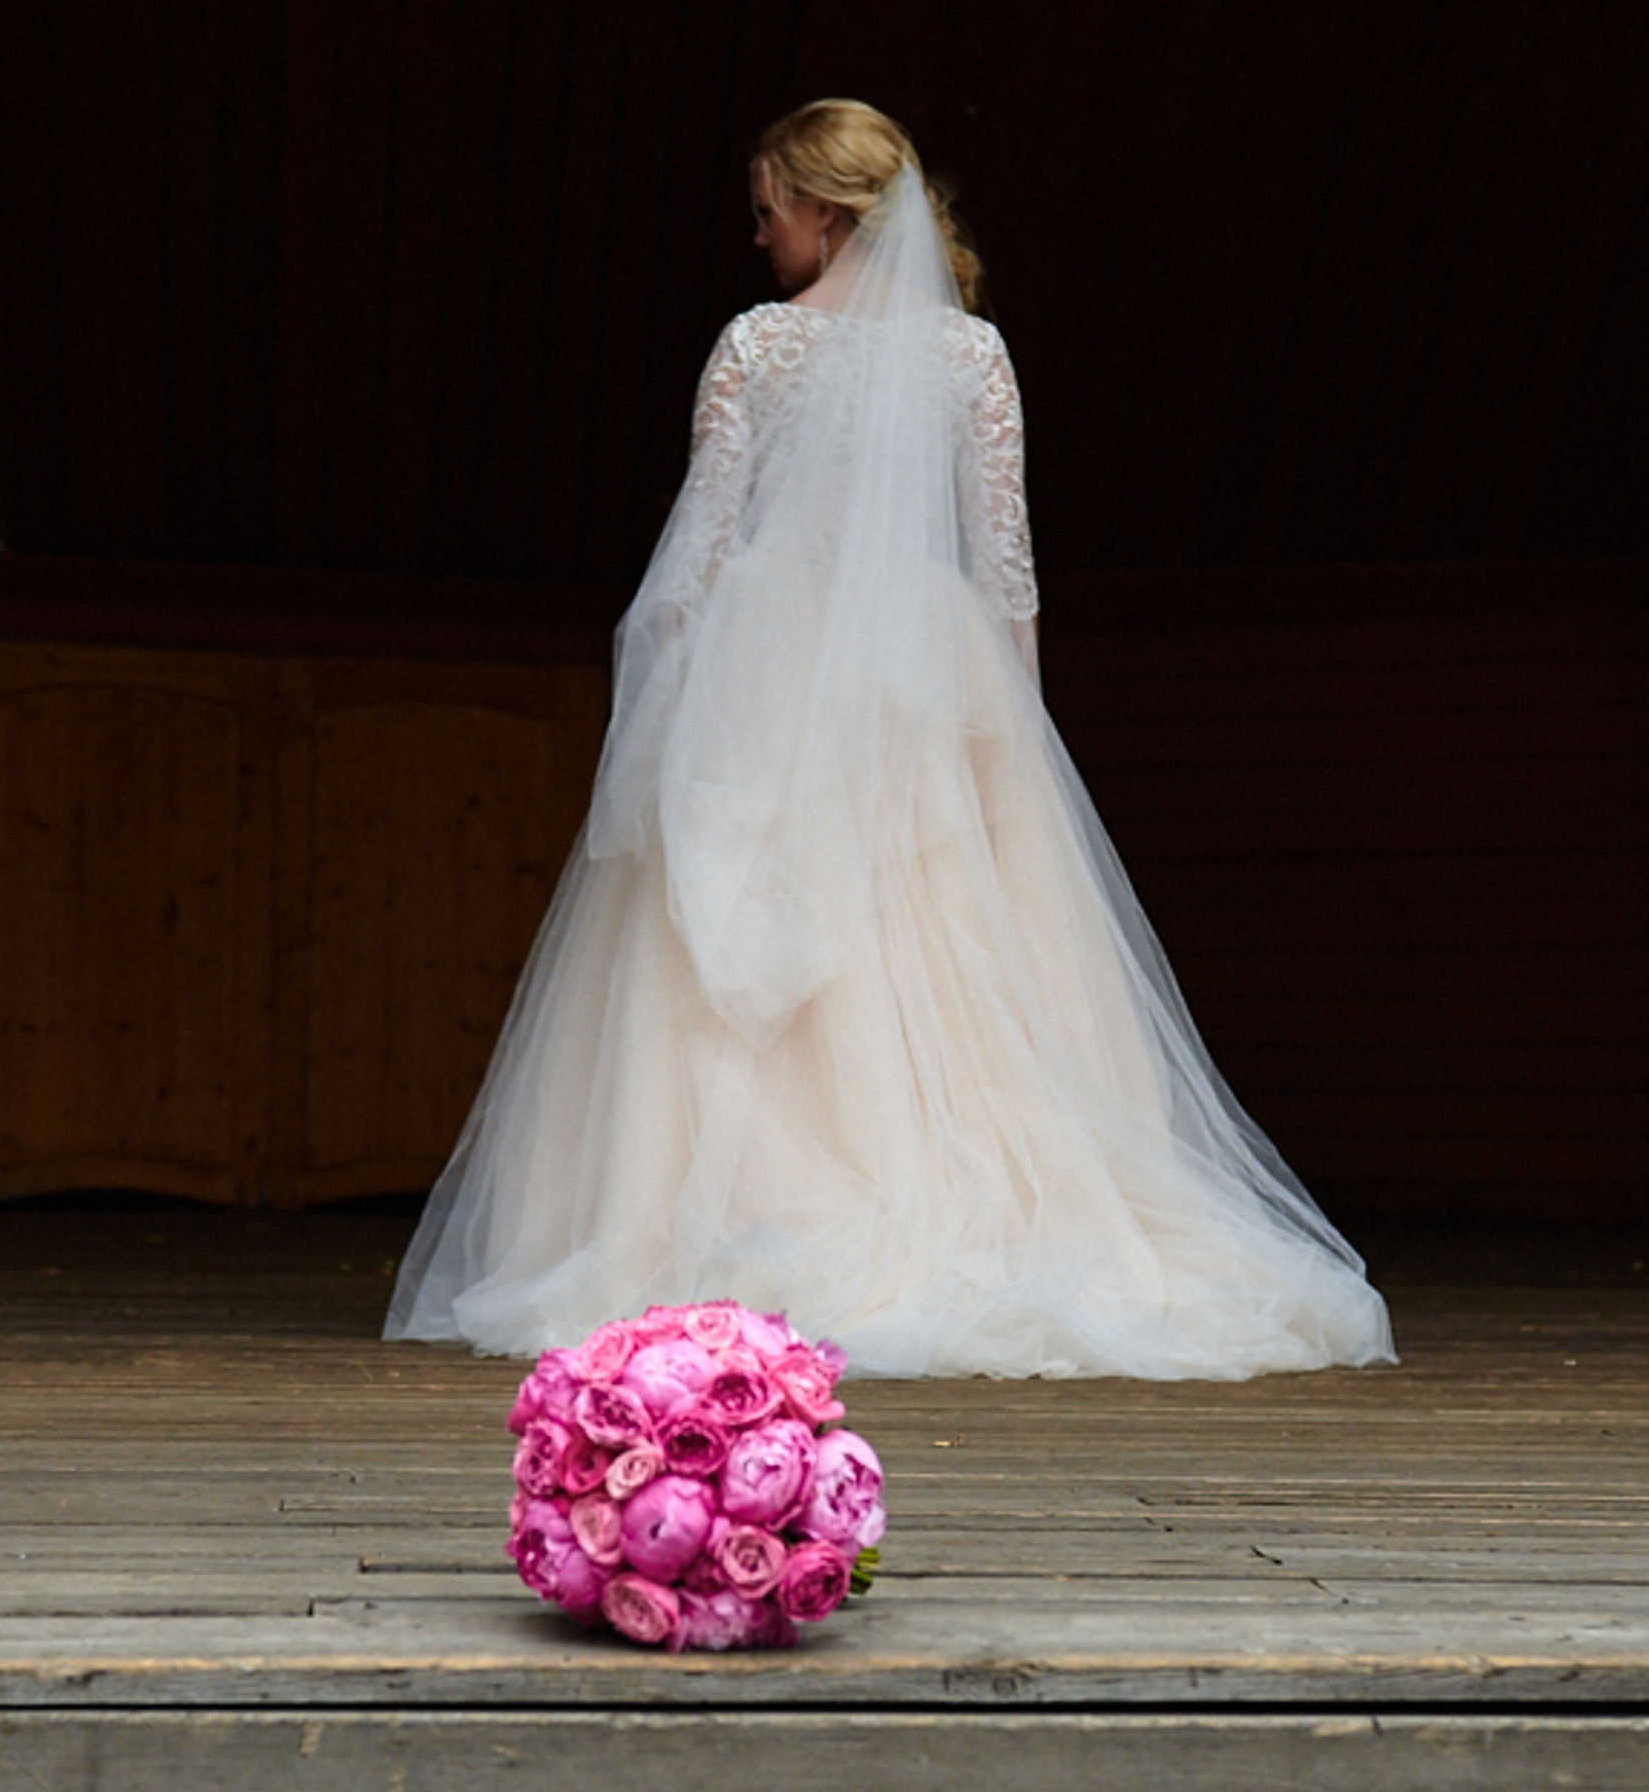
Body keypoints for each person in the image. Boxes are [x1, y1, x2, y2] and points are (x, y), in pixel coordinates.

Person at [387, 100, 1393, 1379]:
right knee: (942, 933)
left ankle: (717, 1214)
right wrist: (1010, 729)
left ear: (825, 211)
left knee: (733, 935)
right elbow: (1005, 563)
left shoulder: (759, 348)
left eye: (767, 211)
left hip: (770, 660)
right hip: (927, 668)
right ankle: (953, 1206)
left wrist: (664, 699)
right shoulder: (972, 360)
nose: (759, 238)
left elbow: (697, 549)